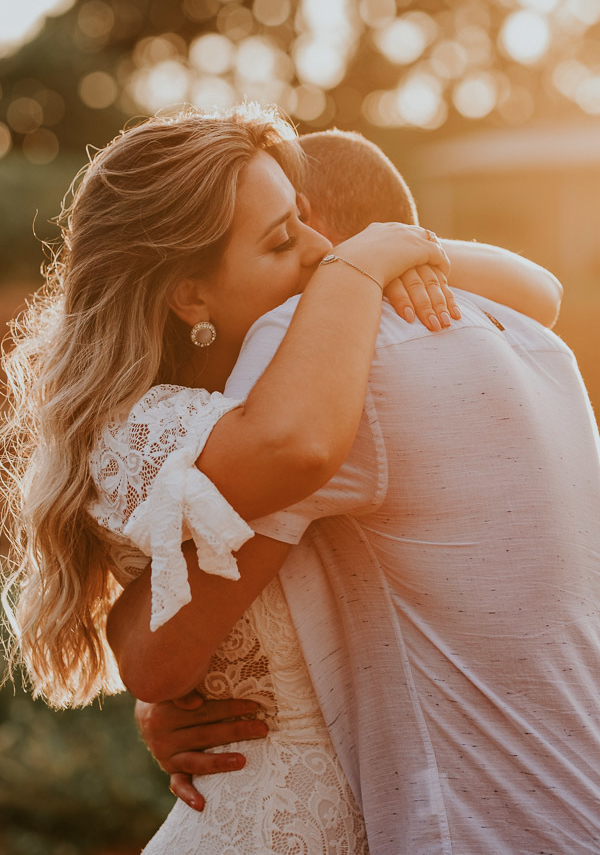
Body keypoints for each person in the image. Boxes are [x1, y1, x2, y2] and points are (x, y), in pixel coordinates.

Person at [109, 134, 600, 855]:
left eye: (305, 230)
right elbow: (543, 291)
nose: (310, 249)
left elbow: (156, 654)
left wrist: (166, 699)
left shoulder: (318, 356)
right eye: (284, 235)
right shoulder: (524, 339)